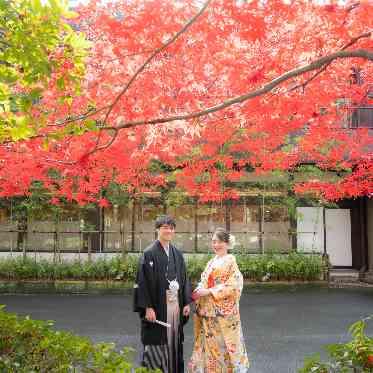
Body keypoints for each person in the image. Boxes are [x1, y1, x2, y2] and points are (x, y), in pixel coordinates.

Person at [133, 215, 192, 373]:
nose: (168, 230)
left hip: (175, 306)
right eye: (165, 227)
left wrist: (186, 302)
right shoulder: (149, 253)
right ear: (157, 229)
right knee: (156, 344)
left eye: (171, 228)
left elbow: (185, 278)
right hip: (158, 307)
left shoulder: (177, 253)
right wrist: (147, 307)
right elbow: (142, 282)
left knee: (174, 342)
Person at [188, 227, 250, 373]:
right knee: (209, 347)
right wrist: (198, 290)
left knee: (223, 347)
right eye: (214, 242)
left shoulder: (230, 261)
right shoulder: (211, 261)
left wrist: (209, 291)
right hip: (207, 313)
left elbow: (235, 286)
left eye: (220, 242)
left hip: (222, 315)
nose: (216, 245)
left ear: (228, 244)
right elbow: (204, 280)